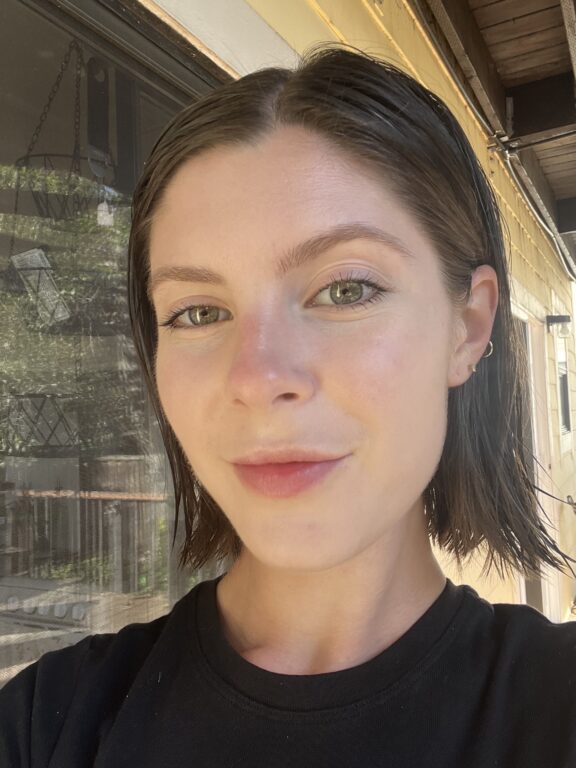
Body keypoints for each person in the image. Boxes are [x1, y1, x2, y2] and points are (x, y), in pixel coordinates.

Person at [1, 43, 575, 768]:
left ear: (468, 325)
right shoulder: (45, 727)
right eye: (199, 312)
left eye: (346, 289)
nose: (258, 376)